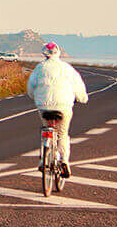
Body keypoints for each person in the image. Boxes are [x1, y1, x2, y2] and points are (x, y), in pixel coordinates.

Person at [26, 41, 88, 177]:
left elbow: (30, 88)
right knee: (62, 134)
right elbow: (79, 87)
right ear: (58, 53)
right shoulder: (67, 68)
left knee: (46, 130)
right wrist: (82, 99)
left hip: (43, 106)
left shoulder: (39, 68)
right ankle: (64, 160)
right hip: (63, 106)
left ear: (44, 54)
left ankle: (43, 160)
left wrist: (36, 98)